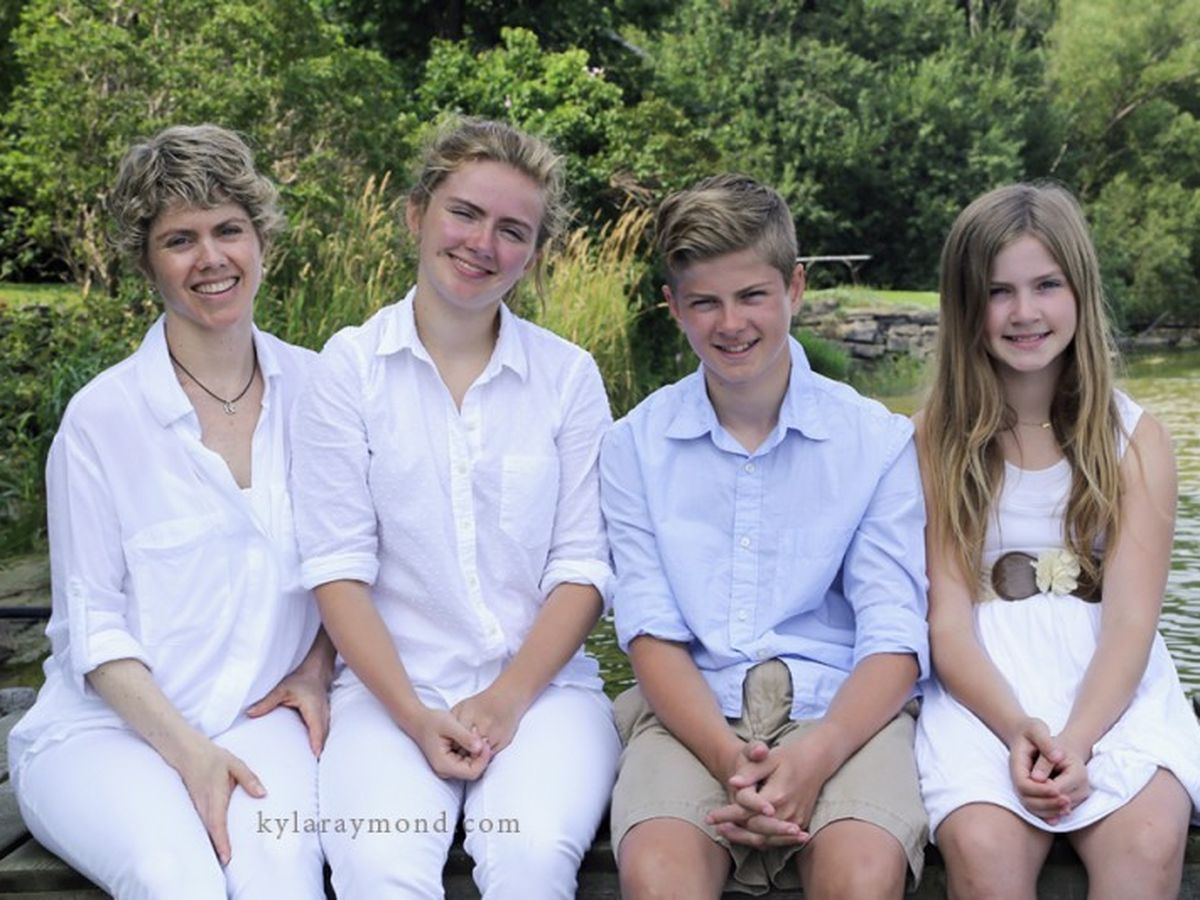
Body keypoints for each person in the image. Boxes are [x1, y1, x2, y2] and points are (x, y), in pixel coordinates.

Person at [289, 117, 619, 900]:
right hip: (387, 695)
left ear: (533, 253)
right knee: (378, 867)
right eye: (464, 213)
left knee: (531, 856)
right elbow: (337, 568)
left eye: (512, 230)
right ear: (417, 214)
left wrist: (508, 699)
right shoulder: (349, 368)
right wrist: (412, 715)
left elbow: (583, 566)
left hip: (544, 693)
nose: (482, 243)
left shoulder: (569, 377)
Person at [6, 124, 332, 899]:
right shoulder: (100, 421)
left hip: (263, 717)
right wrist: (190, 756)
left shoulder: (324, 393)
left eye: (229, 229)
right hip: (108, 734)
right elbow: (93, 630)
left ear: (261, 239)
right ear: (147, 262)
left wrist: (318, 669)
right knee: (174, 877)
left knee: (280, 876)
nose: (211, 258)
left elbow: (355, 566)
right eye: (180, 240)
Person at [600, 173, 930, 899]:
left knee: (862, 873)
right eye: (704, 303)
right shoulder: (633, 446)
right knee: (658, 874)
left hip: (841, 711)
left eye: (752, 295)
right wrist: (729, 761)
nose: (731, 323)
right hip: (693, 712)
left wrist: (815, 759)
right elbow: (650, 629)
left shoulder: (875, 441)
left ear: (795, 287)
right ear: (673, 307)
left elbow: (895, 632)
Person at [914, 182, 1200, 899]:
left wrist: (1076, 739)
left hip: (1111, 686)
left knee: (1148, 840)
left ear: (1080, 290)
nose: (1025, 312)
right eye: (998, 291)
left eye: (1046, 285)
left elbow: (1131, 621)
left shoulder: (1135, 440)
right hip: (984, 689)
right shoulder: (932, 440)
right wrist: (1018, 728)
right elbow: (947, 621)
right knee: (984, 849)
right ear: (965, 305)